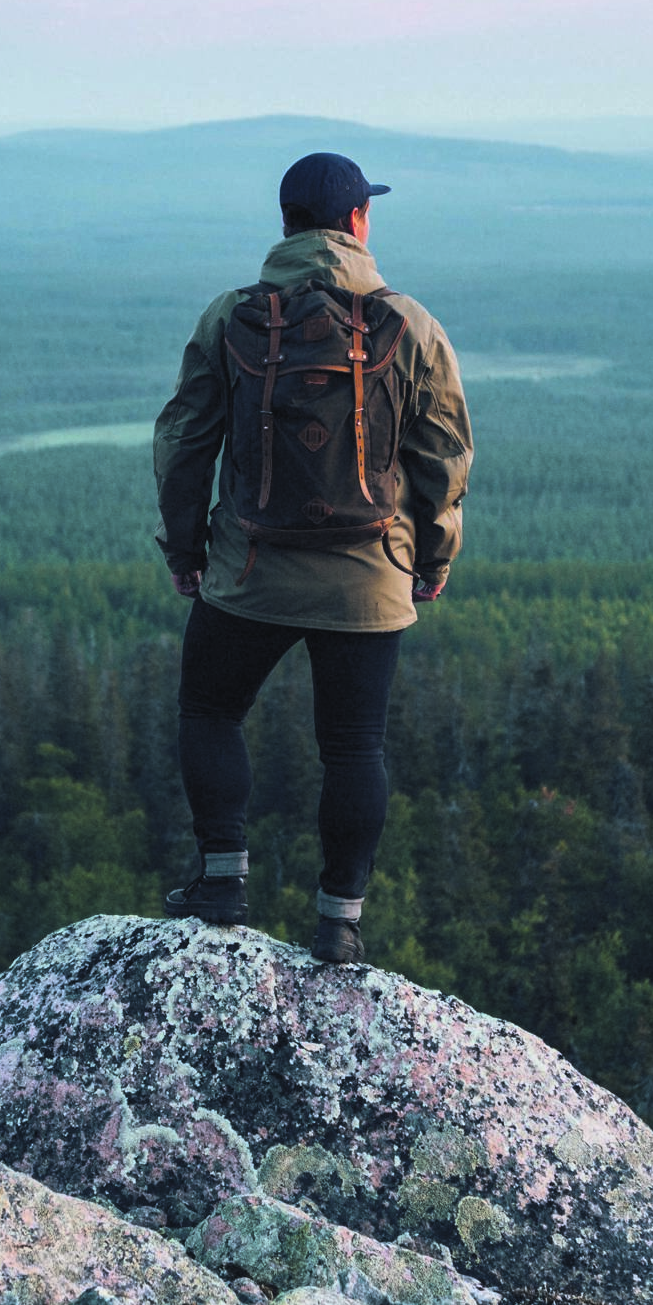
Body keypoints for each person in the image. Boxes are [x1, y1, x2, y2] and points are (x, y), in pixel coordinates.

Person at [149, 149, 474, 968]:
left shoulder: (233, 315)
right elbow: (444, 457)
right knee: (355, 747)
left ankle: (221, 879)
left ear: (287, 222)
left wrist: (188, 550)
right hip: (370, 579)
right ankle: (340, 921)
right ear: (359, 220)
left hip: (250, 571)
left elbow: (185, 441)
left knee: (211, 710)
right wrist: (433, 557)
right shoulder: (413, 324)